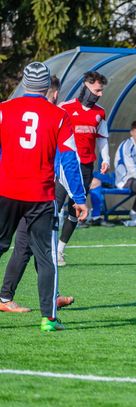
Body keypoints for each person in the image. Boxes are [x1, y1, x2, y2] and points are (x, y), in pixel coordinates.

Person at [0, 62, 87, 331]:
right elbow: (70, 159)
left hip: (6, 191)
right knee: (45, 256)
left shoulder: (3, 110)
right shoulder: (59, 116)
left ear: (24, 83)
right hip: (40, 195)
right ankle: (49, 319)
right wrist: (79, 197)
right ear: (48, 86)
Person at [56, 71, 110, 266]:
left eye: (101, 91)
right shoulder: (65, 108)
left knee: (76, 209)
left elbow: (102, 138)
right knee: (54, 207)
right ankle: (45, 248)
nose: (100, 94)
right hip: (65, 166)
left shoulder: (100, 112)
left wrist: (106, 158)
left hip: (86, 167)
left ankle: (59, 250)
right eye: (97, 90)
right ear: (86, 86)